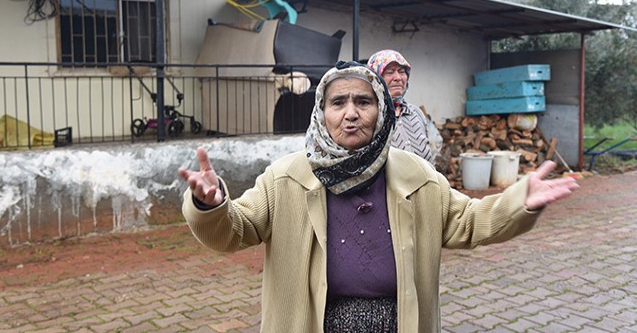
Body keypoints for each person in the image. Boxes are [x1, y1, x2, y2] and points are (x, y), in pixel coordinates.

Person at [178, 61, 578, 332]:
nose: (351, 113)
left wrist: (520, 201)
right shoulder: (287, 177)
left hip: (398, 320)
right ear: (322, 113)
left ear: (381, 111)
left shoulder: (414, 174)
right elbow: (236, 230)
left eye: (364, 101)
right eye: (338, 102)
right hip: (314, 322)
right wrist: (211, 206)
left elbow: (467, 221)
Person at [367, 49, 438, 165]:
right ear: (376, 78)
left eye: (401, 71)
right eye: (390, 72)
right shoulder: (370, 115)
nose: (398, 78)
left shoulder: (416, 112)